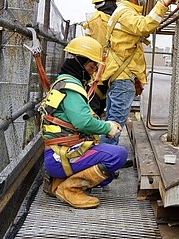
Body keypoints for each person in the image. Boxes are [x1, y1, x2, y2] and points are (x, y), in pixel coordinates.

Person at [40, 36, 127, 209]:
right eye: (91, 66)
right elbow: (83, 122)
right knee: (118, 155)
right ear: (81, 63)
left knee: (106, 176)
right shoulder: (72, 87)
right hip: (61, 156)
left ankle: (56, 182)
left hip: (58, 153)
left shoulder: (63, 81)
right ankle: (68, 189)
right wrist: (107, 127)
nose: (93, 71)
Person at [101, 0, 174, 145]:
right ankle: (105, 164)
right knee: (115, 124)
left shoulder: (122, 12)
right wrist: (163, 4)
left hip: (118, 75)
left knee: (111, 121)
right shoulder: (126, 13)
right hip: (122, 77)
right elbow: (144, 26)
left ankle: (104, 158)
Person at [81, 0, 119, 117]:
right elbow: (100, 46)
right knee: (94, 109)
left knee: (100, 107)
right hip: (99, 71)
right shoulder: (99, 20)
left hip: (103, 72)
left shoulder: (109, 19)